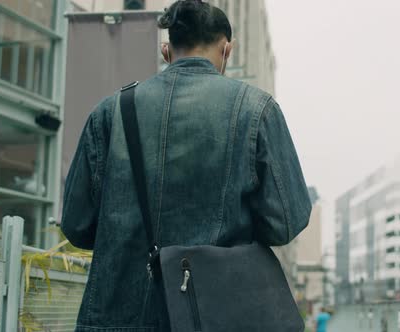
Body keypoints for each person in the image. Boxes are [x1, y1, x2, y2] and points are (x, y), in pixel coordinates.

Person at [61, 1, 312, 331]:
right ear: (227, 49)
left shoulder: (112, 112)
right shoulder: (257, 110)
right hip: (216, 316)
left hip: (120, 317)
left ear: (167, 51)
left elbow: (78, 225)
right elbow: (285, 223)